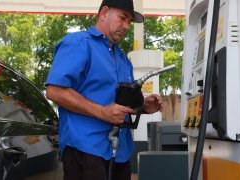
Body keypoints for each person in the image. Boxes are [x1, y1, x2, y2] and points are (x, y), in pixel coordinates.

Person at [45, 0, 163, 179]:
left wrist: (143, 106)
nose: (125, 26)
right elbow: (55, 91)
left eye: (129, 22)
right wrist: (102, 111)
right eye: (122, 18)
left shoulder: (123, 60)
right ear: (104, 13)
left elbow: (121, 101)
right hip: (85, 149)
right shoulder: (79, 43)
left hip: (120, 153)